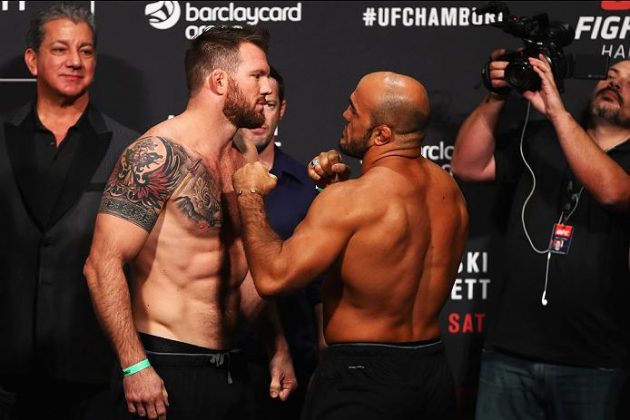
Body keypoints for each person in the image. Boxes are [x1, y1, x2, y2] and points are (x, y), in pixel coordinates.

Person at [83, 26, 296, 420]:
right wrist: (135, 366)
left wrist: (277, 346)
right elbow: (101, 265)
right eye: (257, 76)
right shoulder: (158, 154)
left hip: (232, 369)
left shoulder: (244, 155)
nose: (268, 89)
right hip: (166, 369)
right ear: (219, 81)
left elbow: (249, 265)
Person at [233, 71, 469, 419]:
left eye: (354, 110)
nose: (344, 115)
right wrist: (337, 194)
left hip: (363, 378)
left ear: (382, 134)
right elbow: (381, 246)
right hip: (431, 372)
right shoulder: (450, 192)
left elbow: (271, 278)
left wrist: (250, 192)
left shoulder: (354, 199)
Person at [451, 51, 630, 420]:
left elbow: (614, 192)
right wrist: (497, 95)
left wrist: (556, 112)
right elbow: (469, 165)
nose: (615, 83)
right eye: (611, 75)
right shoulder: (541, 139)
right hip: (510, 353)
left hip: (595, 361)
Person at [0, 4, 137, 419]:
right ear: (32, 60)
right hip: (6, 368)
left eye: (86, 51)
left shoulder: (128, 147)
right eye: (60, 49)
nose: (75, 61)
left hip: (93, 368)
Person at [233, 66, 324, 419]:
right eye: (253, 103)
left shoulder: (307, 186)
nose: (260, 114)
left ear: (282, 109)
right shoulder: (206, 177)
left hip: (294, 365)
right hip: (221, 354)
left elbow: (320, 286)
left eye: (269, 103)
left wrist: (323, 358)